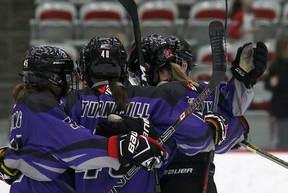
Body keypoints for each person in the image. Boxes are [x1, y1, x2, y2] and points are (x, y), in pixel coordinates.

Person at [61, 36, 229, 193]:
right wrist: (211, 126)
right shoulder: (152, 98)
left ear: (85, 68)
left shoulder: (72, 103)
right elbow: (199, 136)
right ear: (123, 68)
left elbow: (50, 149)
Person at [0, 45, 166, 192]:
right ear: (52, 78)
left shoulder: (28, 104)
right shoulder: (38, 105)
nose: (68, 81)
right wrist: (120, 146)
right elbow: (72, 146)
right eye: (64, 75)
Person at [127, 34, 268, 193]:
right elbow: (235, 120)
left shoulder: (148, 97)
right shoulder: (202, 92)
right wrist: (242, 79)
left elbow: (234, 119)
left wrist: (243, 78)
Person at [265, 37, 288, 149]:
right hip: (281, 106)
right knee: (283, 136)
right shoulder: (276, 66)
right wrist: (274, 82)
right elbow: (268, 85)